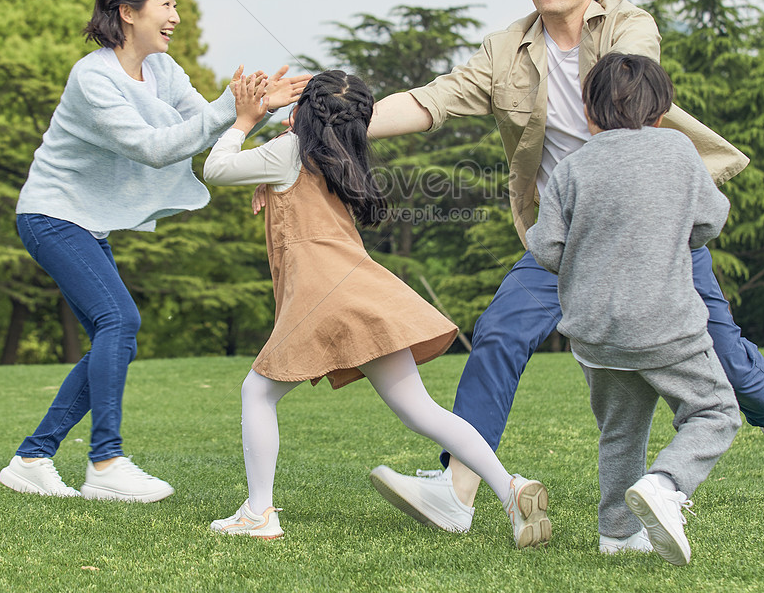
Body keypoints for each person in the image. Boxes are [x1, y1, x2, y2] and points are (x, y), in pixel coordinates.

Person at [365, 0, 764, 543]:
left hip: (651, 227)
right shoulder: (506, 51)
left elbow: (630, 86)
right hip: (566, 234)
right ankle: (458, 489)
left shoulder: (628, 27)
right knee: (500, 330)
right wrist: (338, 121)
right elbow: (430, 101)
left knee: (720, 343)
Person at [0, 0, 308, 503]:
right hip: (50, 213)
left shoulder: (164, 72)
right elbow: (154, 146)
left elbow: (202, 123)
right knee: (119, 320)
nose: (177, 16)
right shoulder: (93, 77)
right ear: (127, 11)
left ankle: (33, 456)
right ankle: (106, 461)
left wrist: (255, 110)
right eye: (166, 4)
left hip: (84, 219)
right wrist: (237, 116)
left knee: (115, 333)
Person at [201, 70, 550, 547]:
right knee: (420, 410)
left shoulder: (287, 154)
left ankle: (259, 511)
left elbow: (216, 168)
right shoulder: (342, 158)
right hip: (364, 295)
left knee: (256, 394)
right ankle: (510, 490)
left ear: (301, 115)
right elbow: (289, 161)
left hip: (322, 299)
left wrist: (246, 119)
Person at [526, 52, 740, 565]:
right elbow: (710, 223)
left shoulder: (572, 167)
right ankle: (666, 485)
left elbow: (548, 248)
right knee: (715, 411)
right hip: (665, 325)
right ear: (661, 110)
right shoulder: (679, 151)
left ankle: (618, 536)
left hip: (595, 333)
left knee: (619, 432)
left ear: (588, 112)